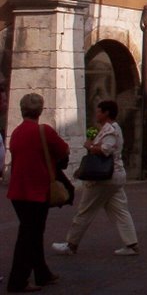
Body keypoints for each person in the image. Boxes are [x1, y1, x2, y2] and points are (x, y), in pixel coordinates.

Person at [52, 100, 139, 257]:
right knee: (120, 210)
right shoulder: (110, 128)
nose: (96, 114)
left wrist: (90, 146)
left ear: (106, 113)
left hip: (105, 178)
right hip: (114, 178)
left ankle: (71, 244)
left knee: (85, 211)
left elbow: (106, 150)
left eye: (99, 111)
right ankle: (131, 244)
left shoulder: (110, 130)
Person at [7, 92, 68, 293]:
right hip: (37, 189)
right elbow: (64, 150)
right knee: (28, 236)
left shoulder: (16, 132)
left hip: (17, 190)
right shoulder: (44, 131)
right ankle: (18, 281)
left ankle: (42, 273)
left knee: (32, 233)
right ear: (40, 110)